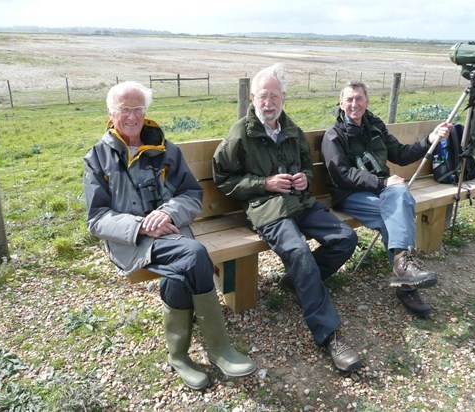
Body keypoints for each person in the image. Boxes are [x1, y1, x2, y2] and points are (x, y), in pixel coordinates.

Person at [83, 81, 257, 391]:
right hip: (132, 242)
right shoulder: (98, 158)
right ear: (111, 114)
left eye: (138, 109)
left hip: (174, 231)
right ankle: (218, 348)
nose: (132, 116)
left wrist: (169, 212)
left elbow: (191, 193)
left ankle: (178, 356)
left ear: (145, 112)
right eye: (125, 109)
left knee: (179, 272)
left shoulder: (165, 149)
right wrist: (140, 225)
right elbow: (97, 219)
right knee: (194, 255)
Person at [212, 64, 361, 372]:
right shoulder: (241, 132)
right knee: (299, 252)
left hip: (300, 202)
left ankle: (297, 282)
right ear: (253, 97)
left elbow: (306, 166)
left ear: (284, 99)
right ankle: (329, 335)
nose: (269, 103)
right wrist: (264, 184)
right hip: (267, 209)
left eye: (275, 96)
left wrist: (305, 179)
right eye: (263, 96)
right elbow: (223, 177)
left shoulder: (291, 130)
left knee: (346, 238)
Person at [320, 80, 452, 318]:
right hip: (350, 194)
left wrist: (430, 140)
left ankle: (403, 271)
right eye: (349, 99)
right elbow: (342, 175)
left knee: (397, 203)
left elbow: (400, 155)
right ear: (341, 103)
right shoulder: (334, 136)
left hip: (382, 191)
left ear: (367, 101)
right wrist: (383, 182)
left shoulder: (375, 127)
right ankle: (406, 279)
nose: (354, 104)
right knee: (398, 204)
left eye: (359, 98)